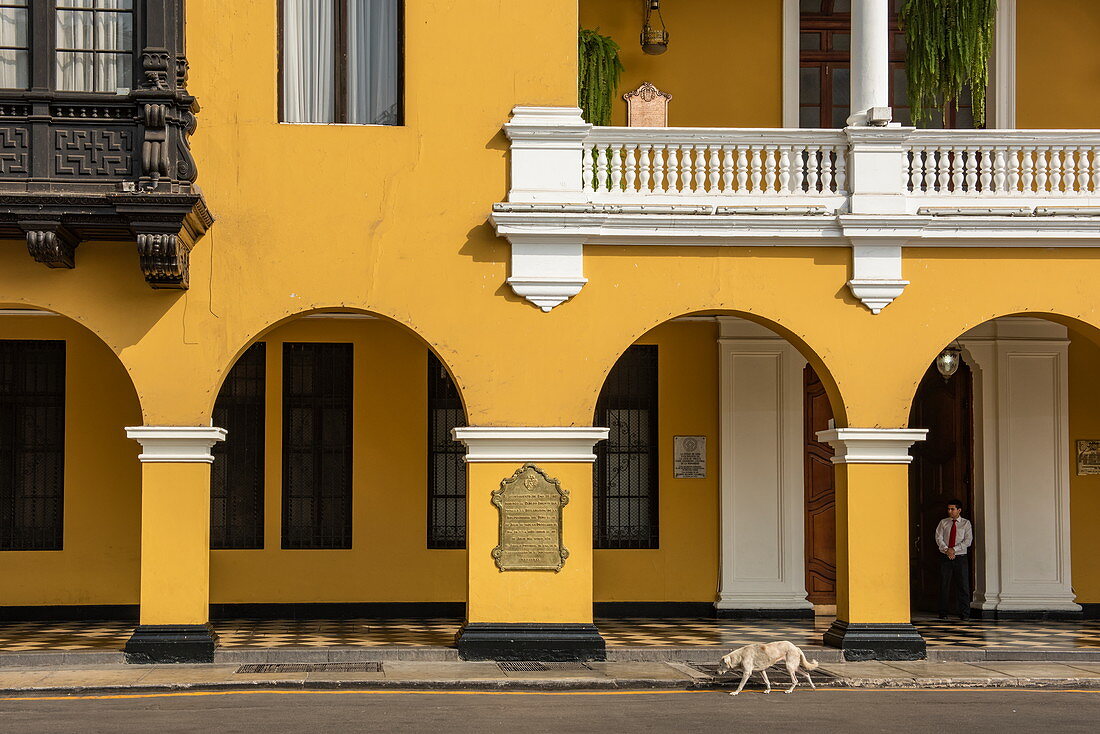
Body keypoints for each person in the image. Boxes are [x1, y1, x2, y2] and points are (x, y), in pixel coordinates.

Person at [935, 499, 973, 621]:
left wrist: (954, 550)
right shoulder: (943, 522)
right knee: (944, 585)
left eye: (952, 509)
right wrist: (947, 550)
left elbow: (968, 541)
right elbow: (938, 538)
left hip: (960, 558)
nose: (949, 511)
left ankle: (964, 613)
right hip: (945, 557)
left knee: (963, 586)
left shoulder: (966, 524)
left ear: (959, 510)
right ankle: (943, 612)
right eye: (948, 509)